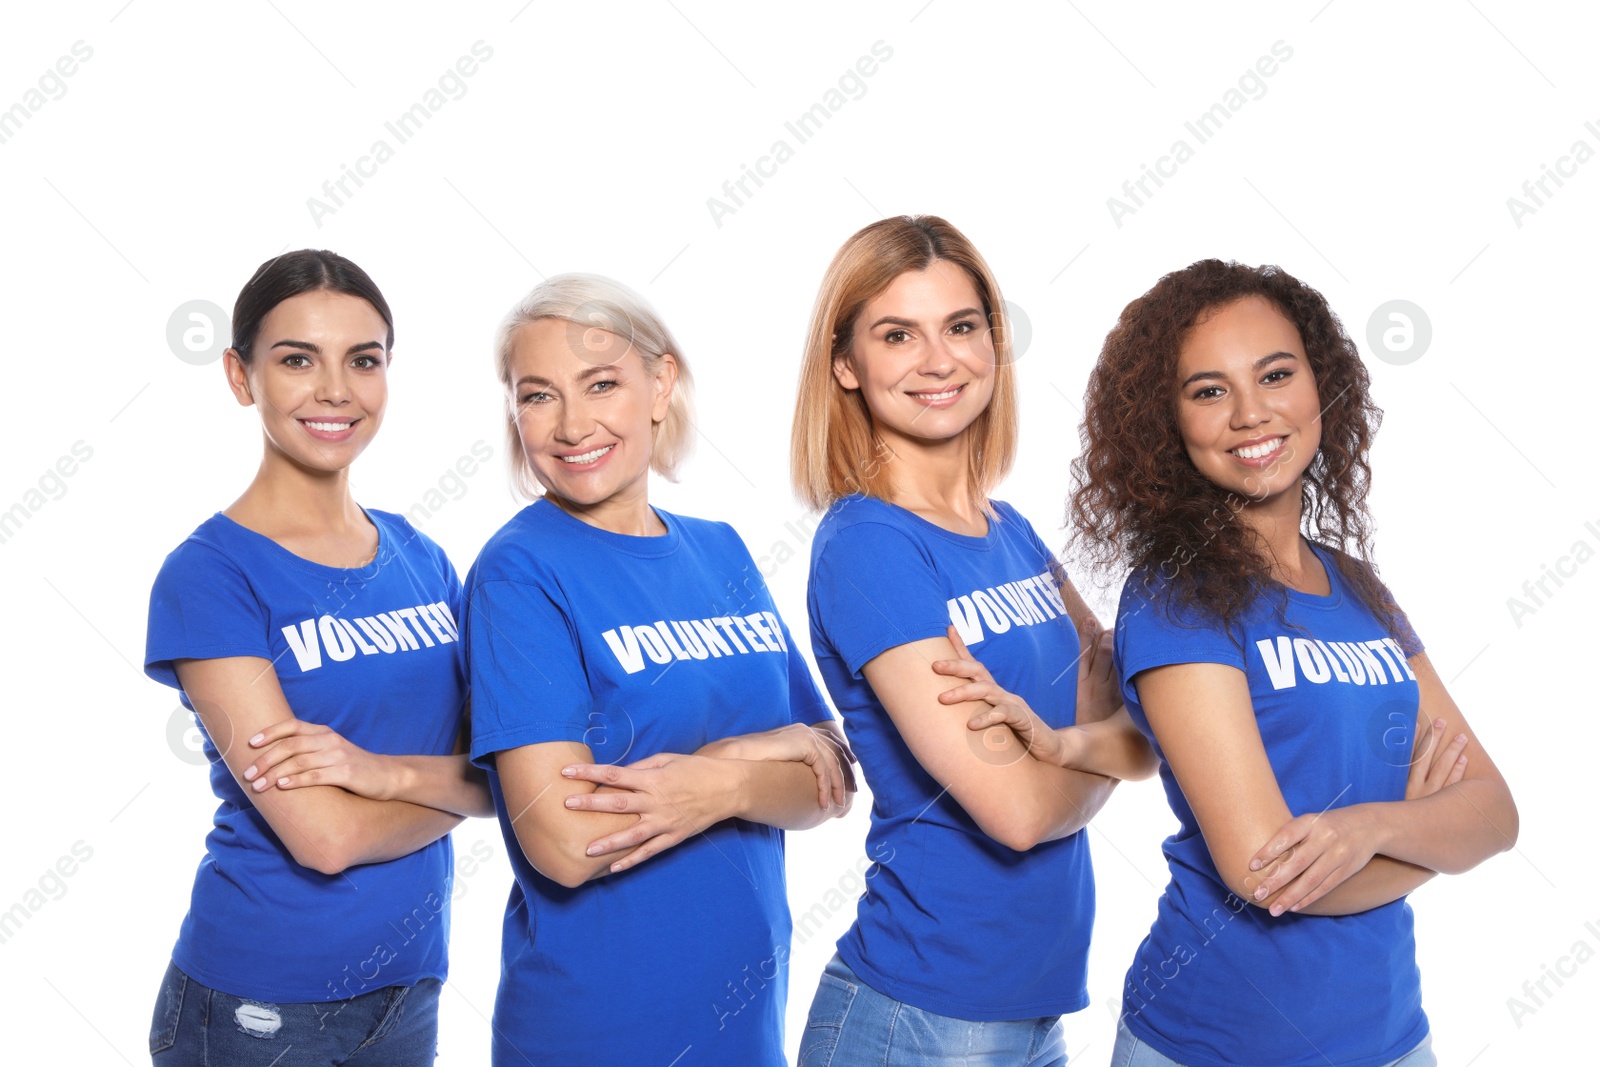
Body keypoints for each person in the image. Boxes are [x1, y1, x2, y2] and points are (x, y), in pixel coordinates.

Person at [1066, 259, 1517, 1066]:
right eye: (1208, 390)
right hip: (1217, 1041)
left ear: (1321, 385)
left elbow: (1496, 813)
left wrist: (1371, 826)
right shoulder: (1177, 596)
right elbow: (1265, 873)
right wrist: (1433, 840)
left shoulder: (1357, 585)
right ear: (1166, 423)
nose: (1250, 413)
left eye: (1276, 374)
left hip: (1391, 1037)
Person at [790, 215, 1156, 1067]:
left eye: (961, 326)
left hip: (1034, 1018)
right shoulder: (870, 547)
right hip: (915, 1018)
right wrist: (1096, 742)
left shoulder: (1013, 531)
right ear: (846, 363)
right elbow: (1018, 812)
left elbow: (1149, 730)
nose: (938, 359)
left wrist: (1063, 746)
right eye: (896, 334)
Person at [463, 273, 855, 1065]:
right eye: (538, 395)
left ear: (660, 383)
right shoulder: (518, 575)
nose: (572, 424)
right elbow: (566, 843)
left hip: (744, 1030)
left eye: (601, 383)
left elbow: (832, 774)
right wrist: (736, 762)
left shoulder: (721, 549)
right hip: (595, 1033)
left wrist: (729, 782)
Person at [144, 249, 492, 1065]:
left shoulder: (421, 556)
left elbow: (505, 770)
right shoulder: (210, 575)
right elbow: (325, 837)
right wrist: (478, 789)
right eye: (298, 359)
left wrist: (385, 773)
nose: (336, 389)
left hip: (408, 987)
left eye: (362, 360)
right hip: (256, 1003)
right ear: (240, 375)